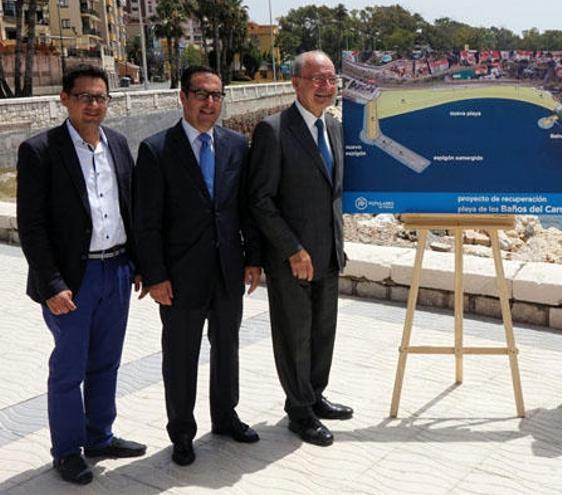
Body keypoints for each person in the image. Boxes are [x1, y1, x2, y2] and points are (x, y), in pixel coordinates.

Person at [16, 65, 146, 485]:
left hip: (118, 269)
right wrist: (52, 284)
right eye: (85, 97)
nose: (94, 105)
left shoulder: (120, 144)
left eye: (101, 97)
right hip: (74, 279)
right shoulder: (40, 150)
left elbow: (132, 208)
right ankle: (68, 450)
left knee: (106, 362)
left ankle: (100, 435)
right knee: (70, 369)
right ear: (65, 99)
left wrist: (141, 265)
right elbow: (31, 225)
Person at [133, 65, 263, 465]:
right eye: (201, 94)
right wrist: (155, 275)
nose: (210, 103)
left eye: (217, 96)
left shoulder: (236, 145)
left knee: (227, 349)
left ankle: (225, 417)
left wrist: (253, 260)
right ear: (183, 97)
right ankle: (182, 433)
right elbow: (146, 221)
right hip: (179, 277)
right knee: (180, 357)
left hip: (227, 271)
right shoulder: (156, 150)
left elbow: (245, 208)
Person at [248, 50, 351, 447]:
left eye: (330, 79)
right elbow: (260, 200)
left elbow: (333, 194)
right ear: (296, 83)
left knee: (324, 331)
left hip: (328, 253)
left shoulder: (335, 129)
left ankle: (315, 394)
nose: (325, 87)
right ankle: (299, 410)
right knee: (295, 335)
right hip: (292, 259)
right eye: (316, 79)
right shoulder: (273, 130)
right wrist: (292, 248)